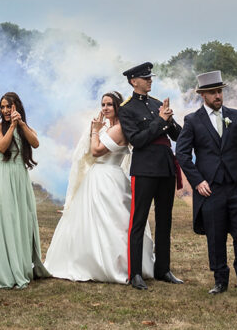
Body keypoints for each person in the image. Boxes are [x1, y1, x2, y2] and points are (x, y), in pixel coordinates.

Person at [44, 92, 154, 283]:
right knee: (90, 221)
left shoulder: (119, 129)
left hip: (108, 177)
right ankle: (88, 259)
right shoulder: (108, 127)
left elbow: (96, 151)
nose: (105, 108)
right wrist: (96, 130)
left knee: (113, 221)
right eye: (103, 104)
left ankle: (115, 264)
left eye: (110, 104)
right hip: (97, 177)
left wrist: (95, 131)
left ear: (118, 107)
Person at [176, 71, 237, 295]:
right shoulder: (192, 120)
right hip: (210, 189)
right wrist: (197, 181)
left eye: (220, 91)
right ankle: (220, 280)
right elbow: (182, 153)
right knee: (215, 236)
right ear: (203, 95)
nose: (218, 95)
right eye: (213, 92)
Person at [118, 61, 184, 290]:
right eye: (145, 78)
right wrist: (160, 121)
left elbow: (177, 135)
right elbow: (137, 140)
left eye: (150, 78)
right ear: (133, 81)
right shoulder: (126, 109)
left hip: (165, 167)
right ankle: (135, 273)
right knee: (138, 220)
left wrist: (169, 120)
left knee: (165, 220)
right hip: (144, 169)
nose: (150, 81)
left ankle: (163, 269)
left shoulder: (157, 104)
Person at [0, 92, 51, 288]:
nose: (5, 110)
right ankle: (5, 268)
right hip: (3, 176)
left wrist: (20, 124)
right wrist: (12, 126)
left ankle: (22, 265)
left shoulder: (24, 127)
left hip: (20, 177)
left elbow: (35, 143)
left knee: (22, 221)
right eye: (2, 107)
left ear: (17, 107)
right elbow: (1, 147)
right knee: (6, 220)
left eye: (9, 106)